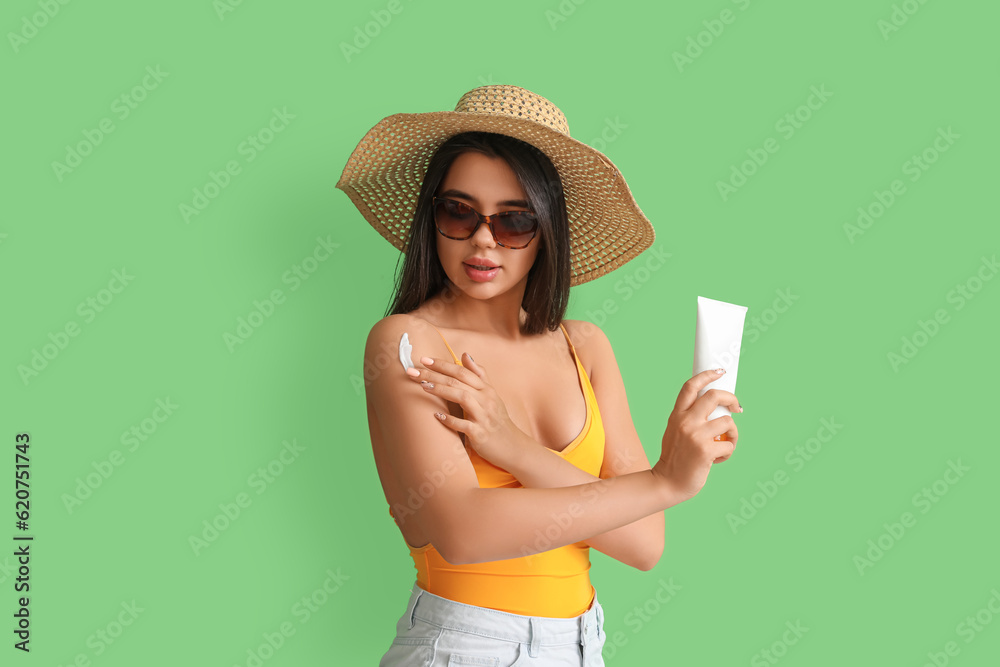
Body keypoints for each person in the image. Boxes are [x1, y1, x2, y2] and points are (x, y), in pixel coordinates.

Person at [337, 84, 742, 666]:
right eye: (459, 210)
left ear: (547, 230)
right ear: (434, 215)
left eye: (514, 221)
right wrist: (663, 482)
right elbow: (462, 529)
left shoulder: (586, 346)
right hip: (465, 643)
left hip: (581, 645)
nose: (482, 239)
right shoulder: (408, 342)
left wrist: (512, 448)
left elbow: (642, 541)